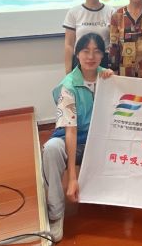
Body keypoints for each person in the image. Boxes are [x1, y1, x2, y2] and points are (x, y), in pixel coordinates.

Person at [43, 33, 114, 242]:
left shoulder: (108, 79)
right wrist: (72, 178)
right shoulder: (68, 86)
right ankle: (56, 214)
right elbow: (71, 131)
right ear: (77, 54)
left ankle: (112, 195)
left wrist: (113, 79)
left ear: (102, 55)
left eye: (97, 51)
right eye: (85, 51)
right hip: (73, 138)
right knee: (51, 150)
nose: (91, 56)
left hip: (98, 139)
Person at [63, 0, 116, 74]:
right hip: (80, 61)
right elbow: (69, 44)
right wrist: (68, 70)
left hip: (103, 62)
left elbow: (114, 43)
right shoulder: (73, 12)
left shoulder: (111, 12)